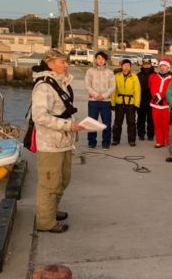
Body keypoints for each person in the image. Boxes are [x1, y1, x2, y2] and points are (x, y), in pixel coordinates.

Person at [31, 49, 84, 233]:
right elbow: (39, 116)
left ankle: (51, 211)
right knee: (49, 183)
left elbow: (62, 111)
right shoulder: (44, 86)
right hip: (50, 144)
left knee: (62, 179)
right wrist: (68, 126)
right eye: (62, 61)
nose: (66, 64)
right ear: (50, 63)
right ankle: (45, 222)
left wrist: (72, 126)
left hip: (63, 142)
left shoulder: (59, 82)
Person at [84, 51, 116, 150]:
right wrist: (96, 95)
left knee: (106, 122)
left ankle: (106, 143)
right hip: (93, 101)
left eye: (102, 58)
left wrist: (104, 95)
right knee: (92, 122)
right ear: (95, 59)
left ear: (105, 60)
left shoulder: (110, 72)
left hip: (106, 101)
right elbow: (87, 85)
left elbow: (112, 86)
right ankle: (91, 142)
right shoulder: (90, 71)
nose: (100, 60)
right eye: (98, 58)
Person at [111, 59, 141, 146]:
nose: (126, 67)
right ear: (121, 66)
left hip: (130, 103)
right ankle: (116, 139)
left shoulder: (134, 77)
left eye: (128, 65)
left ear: (130, 67)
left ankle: (132, 140)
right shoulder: (117, 76)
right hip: (119, 102)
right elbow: (114, 90)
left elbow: (137, 91)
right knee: (117, 122)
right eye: (124, 65)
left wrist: (136, 104)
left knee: (131, 122)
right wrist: (112, 103)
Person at [149, 58, 172, 148]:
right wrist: (156, 97)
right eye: (161, 66)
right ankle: (159, 141)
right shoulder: (153, 76)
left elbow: (171, 90)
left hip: (166, 104)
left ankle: (168, 141)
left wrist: (162, 97)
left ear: (168, 67)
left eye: (165, 65)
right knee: (157, 123)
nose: (163, 67)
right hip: (155, 103)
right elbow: (152, 88)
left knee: (166, 124)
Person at [137, 58, 156, 141]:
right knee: (141, 118)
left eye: (148, 64)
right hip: (141, 100)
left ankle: (150, 135)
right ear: (142, 65)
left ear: (151, 64)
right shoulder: (138, 75)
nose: (146, 65)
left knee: (151, 119)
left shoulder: (155, 75)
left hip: (152, 100)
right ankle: (141, 134)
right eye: (145, 64)